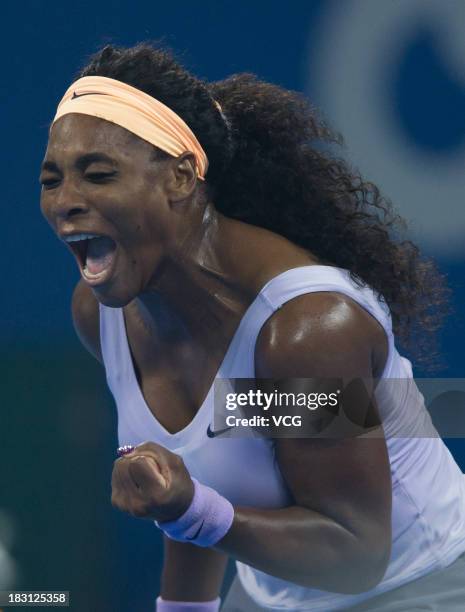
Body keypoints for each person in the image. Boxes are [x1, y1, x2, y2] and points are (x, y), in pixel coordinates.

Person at [39, 43, 465, 611]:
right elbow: (207, 476)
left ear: (182, 177)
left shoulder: (308, 331)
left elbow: (357, 553)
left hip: (419, 585)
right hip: (271, 592)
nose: (66, 201)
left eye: (98, 174)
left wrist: (191, 510)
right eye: (51, 180)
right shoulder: (101, 314)